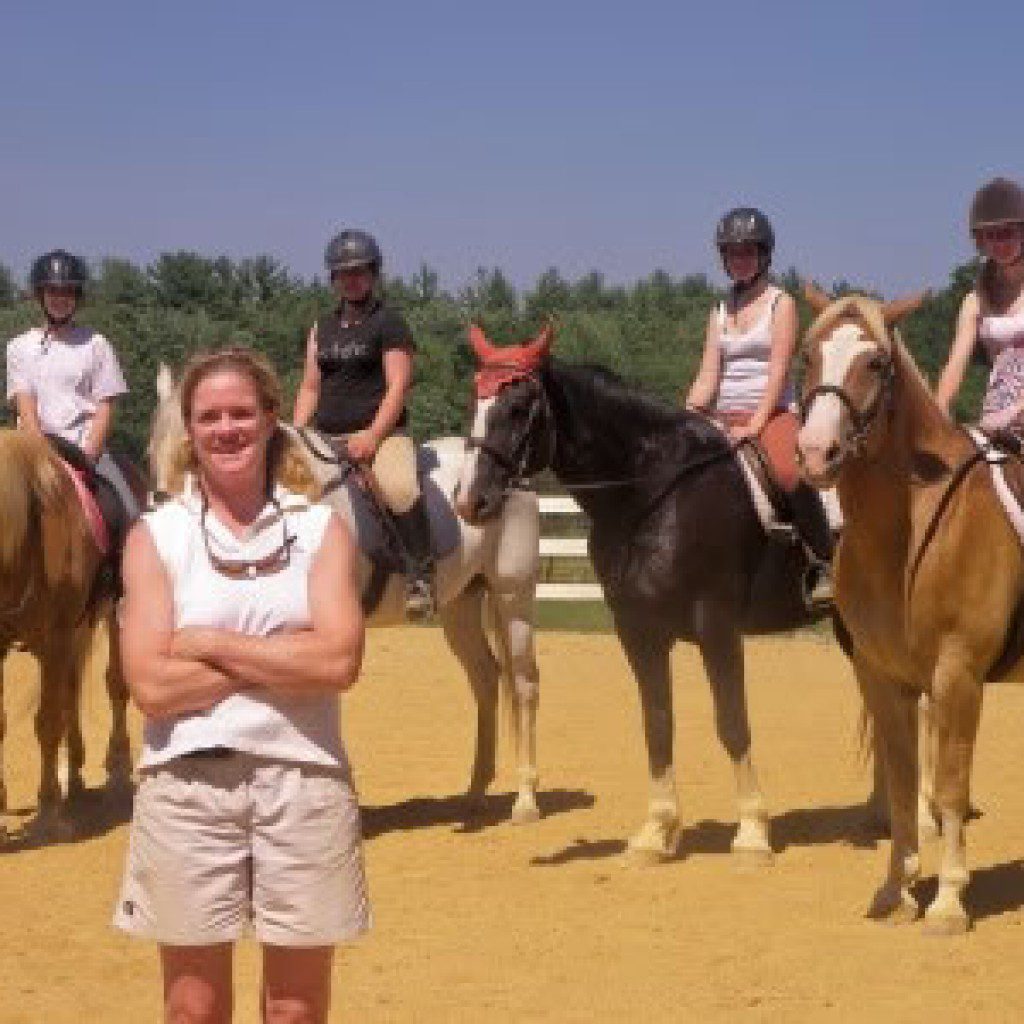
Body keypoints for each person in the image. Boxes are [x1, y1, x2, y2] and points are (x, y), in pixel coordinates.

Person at [114, 347, 368, 1024]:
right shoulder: (155, 536)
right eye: (209, 417)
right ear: (188, 429)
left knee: (296, 1010)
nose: (226, 428)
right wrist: (285, 654)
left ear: (270, 418)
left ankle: (421, 561)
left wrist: (211, 644)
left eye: (240, 413)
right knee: (192, 1010)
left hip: (304, 782)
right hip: (187, 787)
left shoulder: (320, 529)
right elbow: (151, 687)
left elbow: (338, 663)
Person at [685, 207, 833, 604]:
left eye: (748, 252)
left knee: (789, 472)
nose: (740, 260)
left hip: (773, 413)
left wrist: (755, 424)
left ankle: (822, 563)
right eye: (733, 253)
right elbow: (708, 375)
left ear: (764, 254)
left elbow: (779, 372)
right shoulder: (719, 311)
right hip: (723, 414)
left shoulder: (780, 303)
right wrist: (686, 414)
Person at [293, 228, 434, 619]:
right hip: (326, 437)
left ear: (373, 273)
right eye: (343, 272)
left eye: (358, 271)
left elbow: (398, 385)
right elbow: (310, 387)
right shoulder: (322, 327)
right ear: (333, 278)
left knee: (399, 488)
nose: (351, 279)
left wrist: (373, 434)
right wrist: (296, 434)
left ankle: (421, 577)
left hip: (381, 435)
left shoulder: (390, 323)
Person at [6, 248, 140, 545]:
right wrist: (40, 455)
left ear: (77, 296)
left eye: (67, 291)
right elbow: (25, 405)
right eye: (53, 291)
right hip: (33, 450)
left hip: (83, 448)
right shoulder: (19, 347)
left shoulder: (96, 344)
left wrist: (89, 454)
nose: (60, 298)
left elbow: (105, 406)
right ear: (40, 295)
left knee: (130, 510)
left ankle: (127, 565)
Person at [937, 177, 1024, 433]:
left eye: (1006, 233)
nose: (999, 243)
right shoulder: (974, 300)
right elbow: (955, 365)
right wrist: (939, 408)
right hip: (998, 414)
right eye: (990, 235)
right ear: (980, 240)